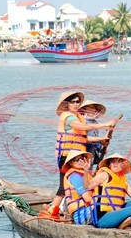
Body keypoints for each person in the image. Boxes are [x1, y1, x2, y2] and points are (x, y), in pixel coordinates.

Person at [43, 91, 120, 219]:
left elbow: (83, 137)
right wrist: (105, 124)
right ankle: (53, 209)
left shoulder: (78, 116)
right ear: (67, 104)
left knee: (84, 181)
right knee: (64, 183)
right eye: (72, 102)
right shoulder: (67, 116)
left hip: (79, 156)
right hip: (67, 156)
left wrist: (101, 140)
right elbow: (81, 126)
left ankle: (65, 208)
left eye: (77, 102)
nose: (75, 104)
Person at [88, 153, 131, 229]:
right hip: (103, 217)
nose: (116, 164)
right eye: (113, 161)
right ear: (109, 165)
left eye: (119, 162)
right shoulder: (105, 175)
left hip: (115, 212)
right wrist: (86, 170)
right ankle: (121, 228)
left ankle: (119, 224)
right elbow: (87, 186)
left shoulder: (122, 179)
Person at [62, 150, 94, 225]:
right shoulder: (75, 177)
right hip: (82, 215)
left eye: (82, 158)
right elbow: (87, 198)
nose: (80, 161)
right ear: (70, 162)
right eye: (76, 160)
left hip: (88, 210)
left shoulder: (84, 174)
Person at [78, 99, 107, 169]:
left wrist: (101, 147)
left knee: (89, 170)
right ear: (84, 110)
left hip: (92, 151)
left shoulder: (95, 122)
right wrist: (101, 140)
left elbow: (94, 137)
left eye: (93, 108)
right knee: (85, 170)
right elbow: (84, 138)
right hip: (84, 150)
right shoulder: (82, 121)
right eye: (89, 108)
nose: (91, 110)